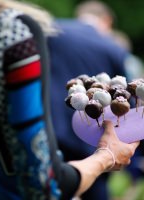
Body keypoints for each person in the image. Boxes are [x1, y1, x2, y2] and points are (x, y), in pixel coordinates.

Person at [0, 0, 139, 200]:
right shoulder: (11, 30)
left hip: (48, 132)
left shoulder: (55, 29)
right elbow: (45, 185)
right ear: (107, 21)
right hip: (80, 144)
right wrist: (108, 156)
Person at [48, 1, 131, 199]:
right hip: (91, 139)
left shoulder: (50, 29)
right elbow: (123, 100)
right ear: (107, 21)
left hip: (48, 129)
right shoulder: (113, 47)